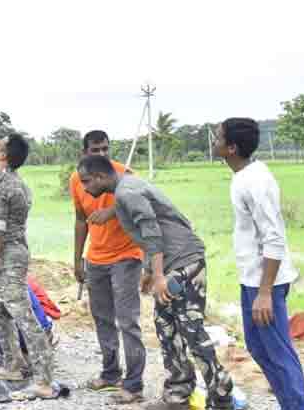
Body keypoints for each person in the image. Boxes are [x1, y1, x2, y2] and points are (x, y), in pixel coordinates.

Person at [78, 153, 236, 410]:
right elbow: (152, 230)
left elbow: (152, 232)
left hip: (185, 263)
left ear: (100, 177)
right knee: (166, 327)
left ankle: (222, 396)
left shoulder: (127, 192)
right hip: (170, 264)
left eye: (86, 181)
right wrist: (150, 271)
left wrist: (159, 275)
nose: (84, 188)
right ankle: (178, 394)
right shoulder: (126, 188)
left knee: (190, 329)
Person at [216, 118, 304, 410]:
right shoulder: (242, 175)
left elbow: (274, 237)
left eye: (218, 137)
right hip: (253, 280)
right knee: (259, 348)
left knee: (278, 353)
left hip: (266, 283)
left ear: (231, 147)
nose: (213, 140)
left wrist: (265, 292)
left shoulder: (256, 180)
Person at [0, 134, 57, 400]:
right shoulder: (18, 183)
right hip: (12, 253)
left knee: (24, 317)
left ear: (4, 155)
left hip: (7, 256)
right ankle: (13, 365)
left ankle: (44, 381)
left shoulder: (1, 185)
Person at [72, 130, 146, 403]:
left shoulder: (124, 174)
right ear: (84, 153)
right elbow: (80, 220)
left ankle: (134, 384)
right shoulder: (77, 180)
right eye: (96, 150)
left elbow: (141, 202)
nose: (102, 155)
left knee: (127, 320)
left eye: (105, 149)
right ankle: (110, 373)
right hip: (96, 258)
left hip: (126, 255)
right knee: (102, 318)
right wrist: (78, 258)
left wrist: (111, 211)